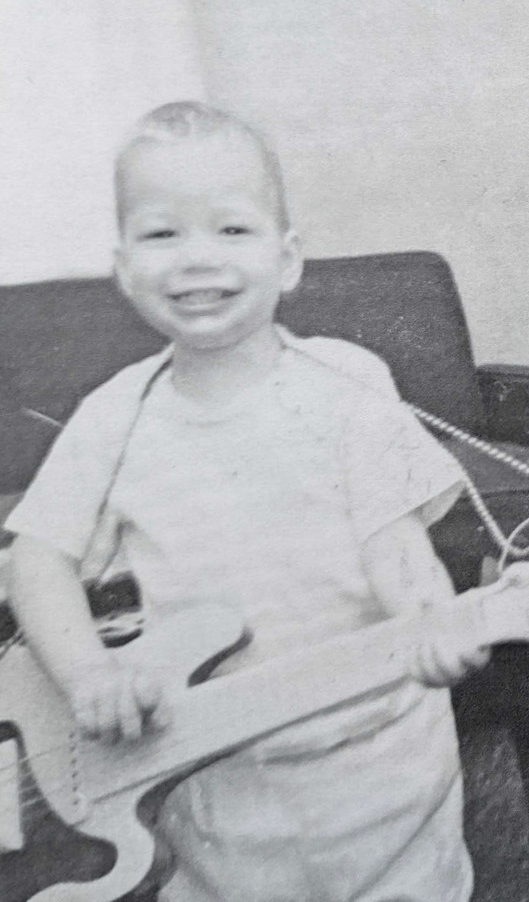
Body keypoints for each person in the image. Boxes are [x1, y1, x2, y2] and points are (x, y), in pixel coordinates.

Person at [4, 101, 488, 901]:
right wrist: (89, 672)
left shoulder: (347, 382)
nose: (198, 259)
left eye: (232, 230)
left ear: (288, 259)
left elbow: (394, 543)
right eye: (163, 235)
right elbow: (37, 558)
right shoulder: (115, 416)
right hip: (221, 779)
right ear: (124, 268)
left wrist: (430, 616)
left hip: (381, 763)